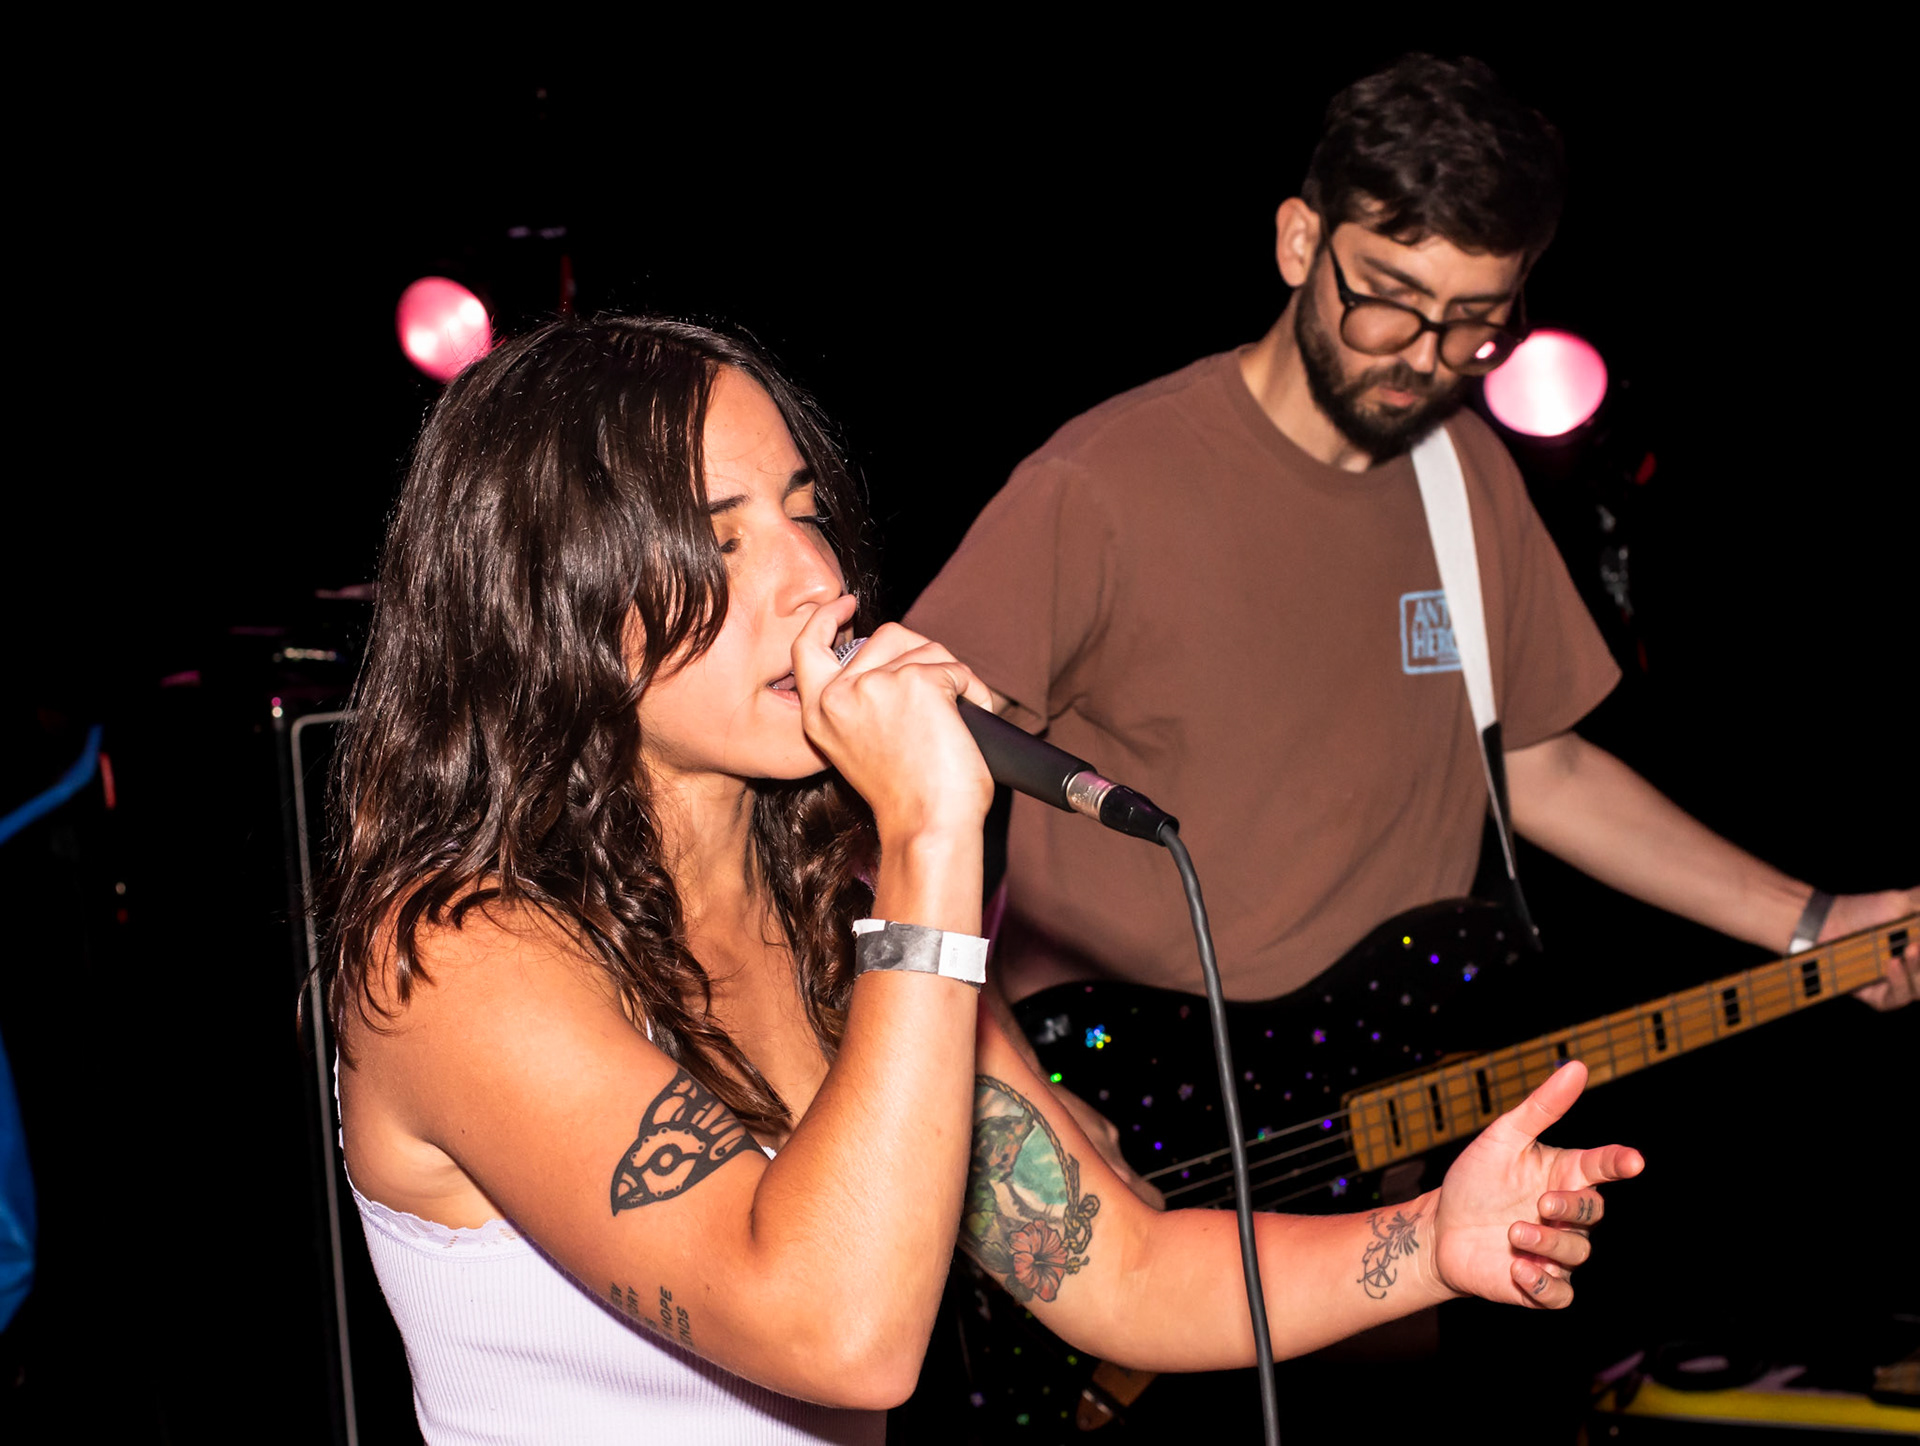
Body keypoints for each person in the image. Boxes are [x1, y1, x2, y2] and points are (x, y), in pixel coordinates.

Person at [322, 315, 1642, 1444]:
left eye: (806, 513)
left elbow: (1113, 1265)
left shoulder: (841, 912)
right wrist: (931, 842)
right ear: (552, 600)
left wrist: (1430, 1242)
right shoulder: (452, 958)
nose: (820, 580)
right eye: (721, 542)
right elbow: (840, 1334)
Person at [903, 50, 1916, 1073]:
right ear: (1300, 241)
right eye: (1391, 296)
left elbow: (1543, 768)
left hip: (1376, 1106)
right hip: (1106, 1099)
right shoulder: (1100, 485)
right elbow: (887, 793)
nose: (1426, 356)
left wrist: (1815, 920)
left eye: (1475, 320)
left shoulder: (1467, 475)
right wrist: (1004, 1089)